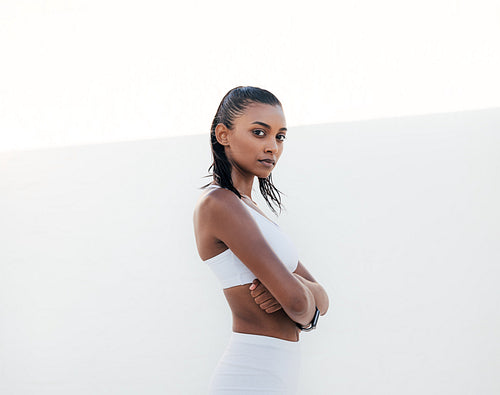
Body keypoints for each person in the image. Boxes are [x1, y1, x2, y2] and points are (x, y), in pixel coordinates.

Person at [192, 86, 329, 394]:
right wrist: (297, 294)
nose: (272, 147)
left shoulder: (249, 208)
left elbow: (319, 300)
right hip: (251, 373)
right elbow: (297, 305)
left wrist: (296, 289)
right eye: (259, 133)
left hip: (276, 370)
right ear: (223, 134)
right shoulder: (220, 204)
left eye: (279, 136)